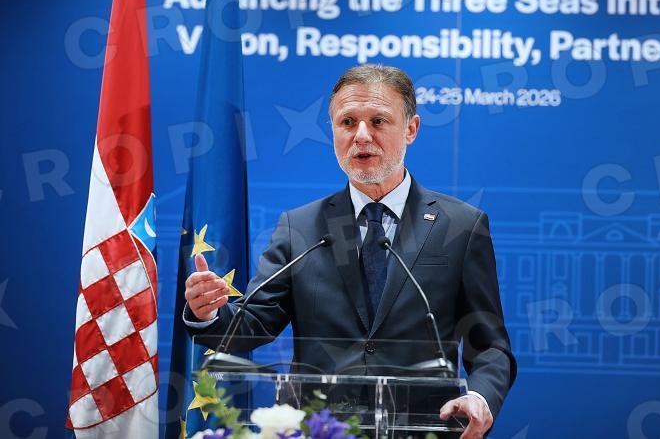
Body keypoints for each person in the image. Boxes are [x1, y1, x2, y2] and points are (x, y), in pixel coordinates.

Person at [184, 64, 516, 438]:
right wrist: (208, 313)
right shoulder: (300, 227)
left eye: (378, 121)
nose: (361, 135)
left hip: (423, 429)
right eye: (347, 122)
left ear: (411, 129)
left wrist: (480, 397)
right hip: (321, 429)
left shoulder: (460, 226)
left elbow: (490, 346)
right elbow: (253, 325)